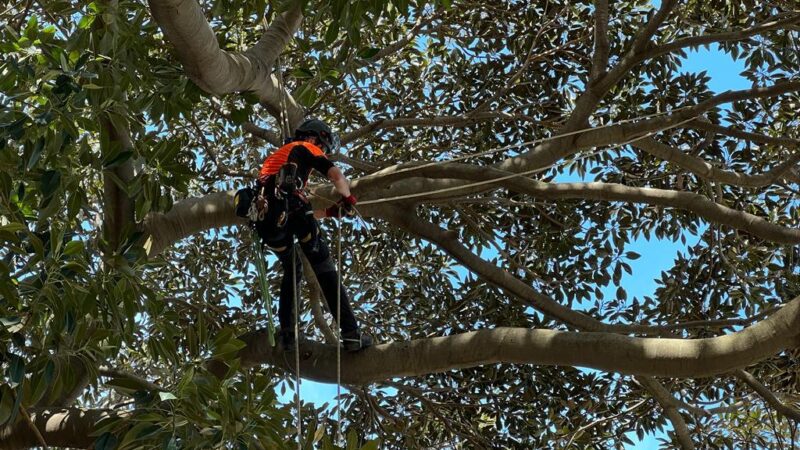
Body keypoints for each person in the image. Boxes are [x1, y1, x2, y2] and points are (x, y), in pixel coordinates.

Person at [236, 118, 372, 353]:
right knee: (323, 264)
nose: (322, 151)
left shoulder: (275, 160)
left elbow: (295, 211)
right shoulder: (306, 148)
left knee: (293, 267)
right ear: (314, 138)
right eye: (323, 145)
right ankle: (351, 335)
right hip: (290, 209)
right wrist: (348, 199)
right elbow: (337, 176)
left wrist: (329, 212)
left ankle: (288, 333)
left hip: (269, 224)